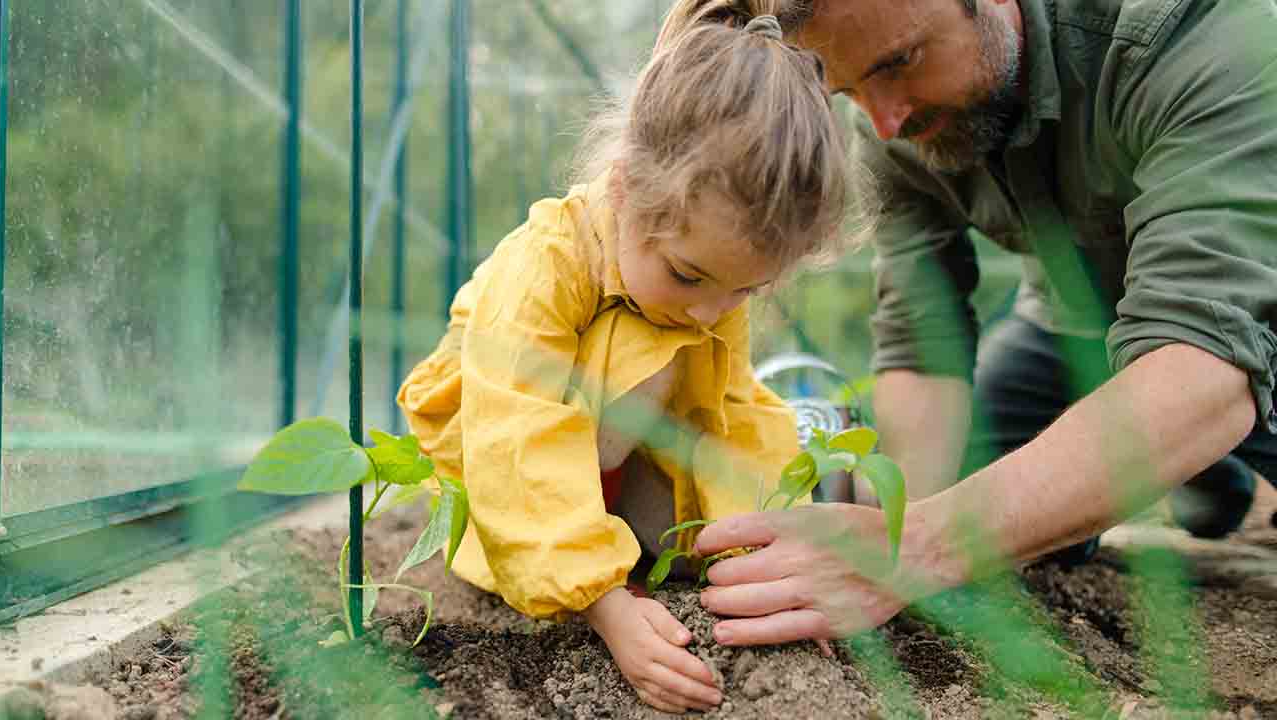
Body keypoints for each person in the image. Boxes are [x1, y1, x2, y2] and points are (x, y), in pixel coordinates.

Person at [672, 0, 1277, 647]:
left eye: (901, 62)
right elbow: (922, 341)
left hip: (1243, 326)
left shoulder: (1192, 33)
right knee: (975, 489)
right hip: (1075, 323)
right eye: (848, 91)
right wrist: (896, 543)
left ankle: (1210, 465)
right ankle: (1212, 482)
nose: (884, 121)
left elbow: (1204, 362)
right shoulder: (891, 124)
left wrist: (923, 548)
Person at [397, 7, 864, 712]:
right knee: (608, 376)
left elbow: (731, 418)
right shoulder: (546, 265)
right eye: (686, 274)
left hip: (621, 462)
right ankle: (589, 559)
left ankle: (636, 542)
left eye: (745, 289)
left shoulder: (710, 295)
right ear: (623, 189)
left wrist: (764, 561)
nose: (711, 310)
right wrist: (605, 602)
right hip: (504, 478)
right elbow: (516, 436)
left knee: (730, 425)